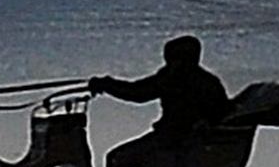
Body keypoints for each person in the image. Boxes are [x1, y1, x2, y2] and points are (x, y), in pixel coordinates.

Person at [90, 34, 234, 143]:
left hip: (175, 140)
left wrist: (106, 85)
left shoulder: (174, 79)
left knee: (118, 158)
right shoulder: (209, 81)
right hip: (194, 141)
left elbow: (138, 93)